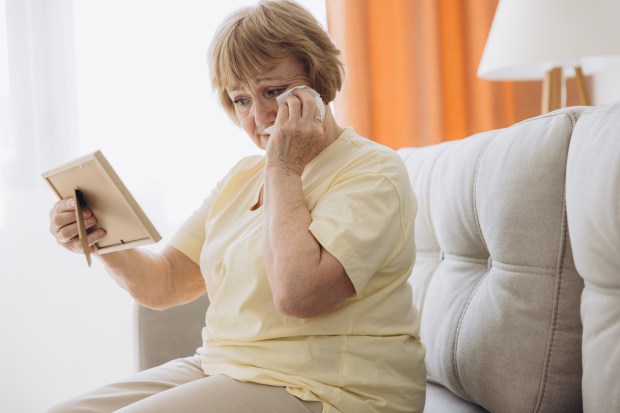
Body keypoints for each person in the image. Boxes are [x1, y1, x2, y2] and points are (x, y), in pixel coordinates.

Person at [47, 1, 426, 412]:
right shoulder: (242, 176)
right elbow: (167, 283)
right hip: (227, 367)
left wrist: (283, 167)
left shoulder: (372, 172)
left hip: (332, 388)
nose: (259, 115)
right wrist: (104, 236)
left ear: (320, 80)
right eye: (241, 100)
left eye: (274, 91)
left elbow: (299, 295)